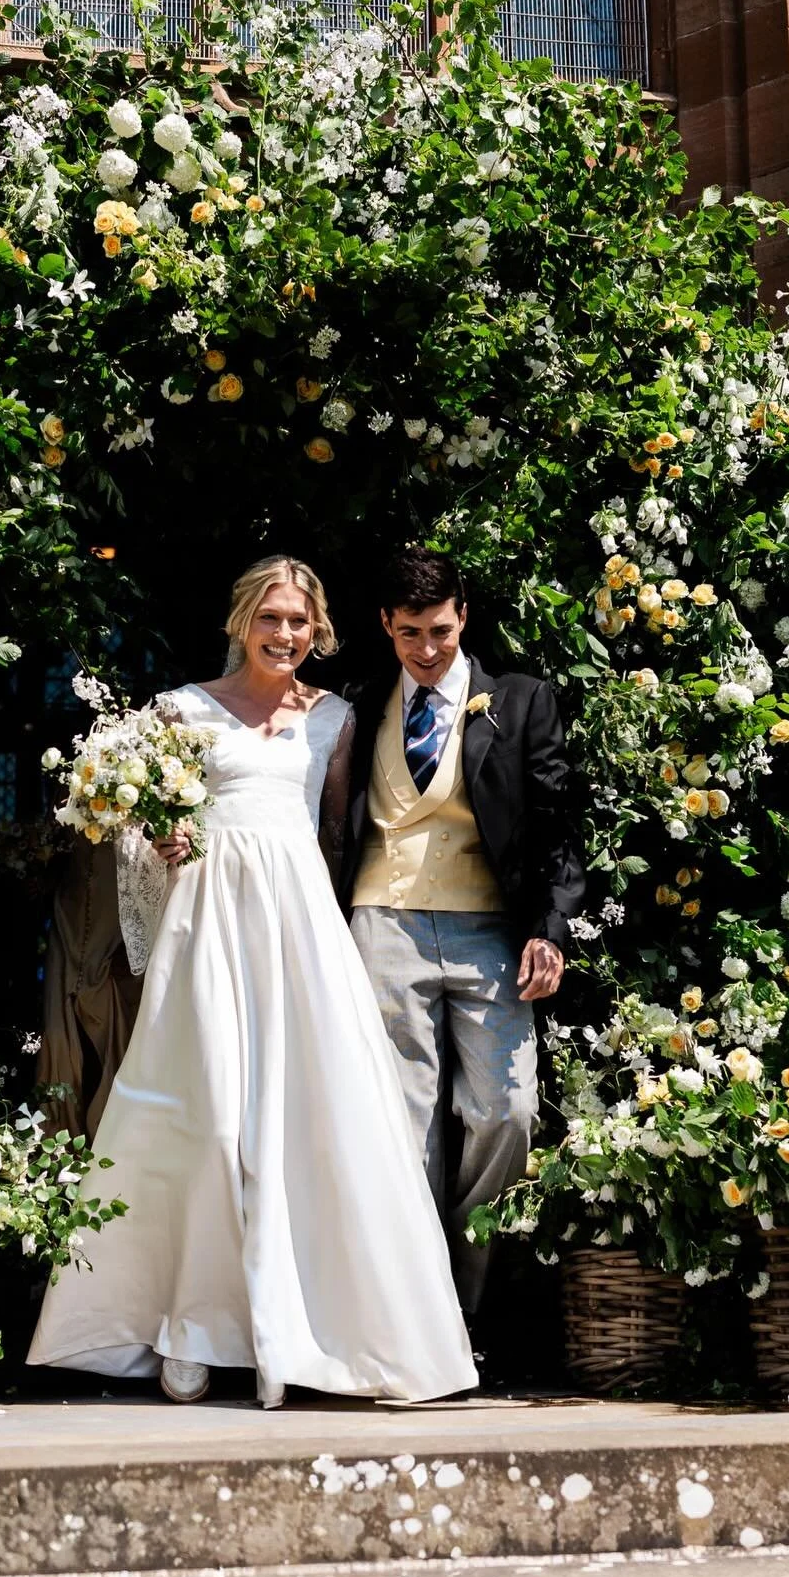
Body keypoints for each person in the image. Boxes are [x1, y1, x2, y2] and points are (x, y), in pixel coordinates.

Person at [27, 556, 477, 1407]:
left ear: (320, 630)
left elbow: (336, 838)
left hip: (298, 929)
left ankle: (307, 1328)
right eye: (271, 618)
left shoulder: (336, 718)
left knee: (308, 1116)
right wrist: (155, 847)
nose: (285, 635)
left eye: (300, 622)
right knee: (202, 1114)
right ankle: (188, 1325)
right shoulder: (180, 711)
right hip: (207, 924)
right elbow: (135, 831)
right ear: (242, 621)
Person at [342, 550, 585, 1317]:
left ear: (464, 616)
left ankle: (465, 1300)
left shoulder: (520, 701)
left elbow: (558, 829)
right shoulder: (354, 703)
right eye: (410, 632)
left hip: (488, 930)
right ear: (385, 625)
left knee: (505, 1113)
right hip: (381, 922)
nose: (426, 649)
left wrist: (549, 931)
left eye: (440, 631)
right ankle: (414, 1316)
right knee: (401, 1120)